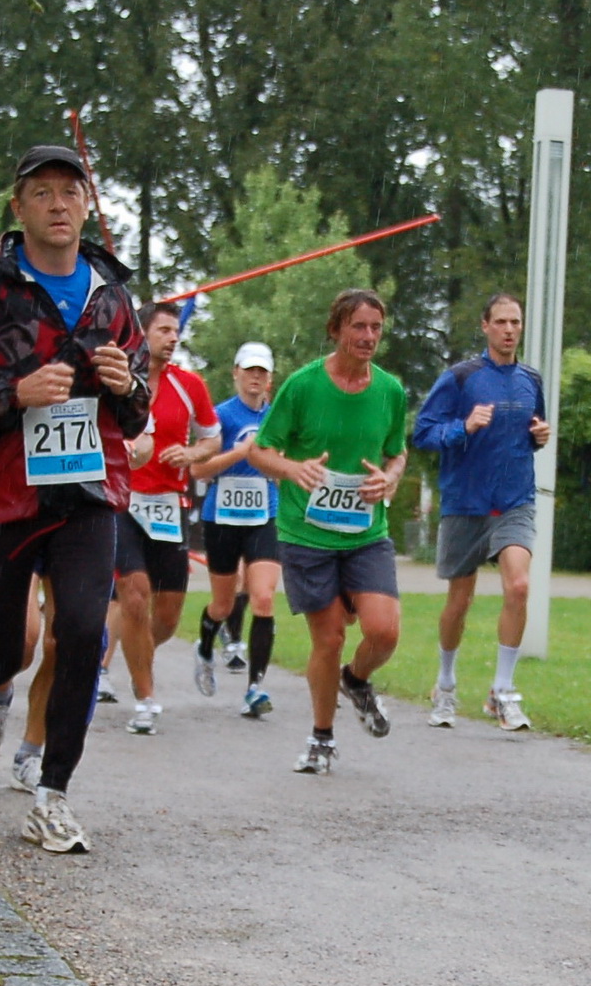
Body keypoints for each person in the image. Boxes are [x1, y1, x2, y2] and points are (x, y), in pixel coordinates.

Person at [0, 143, 149, 854]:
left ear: (86, 204)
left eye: (68, 192)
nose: (57, 204)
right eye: (41, 193)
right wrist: (11, 394)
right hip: (1, 498)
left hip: (86, 493)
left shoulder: (113, 296)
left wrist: (125, 386)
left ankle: (52, 793)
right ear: (18, 208)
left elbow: (138, 413)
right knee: (2, 656)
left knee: (83, 632)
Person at [248, 288, 406, 774]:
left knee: (384, 631)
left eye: (376, 327)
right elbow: (260, 451)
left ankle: (356, 682)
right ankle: (321, 738)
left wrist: (391, 477)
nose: (368, 337)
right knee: (330, 636)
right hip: (307, 533)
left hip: (365, 532)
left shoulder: (390, 390)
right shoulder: (302, 386)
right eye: (358, 326)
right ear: (335, 329)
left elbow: (396, 451)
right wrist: (293, 470)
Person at [411, 293, 551, 730]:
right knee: (460, 601)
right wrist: (463, 427)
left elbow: (531, 430)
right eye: (502, 322)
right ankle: (446, 684)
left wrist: (539, 436)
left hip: (514, 500)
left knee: (519, 585)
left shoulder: (531, 379)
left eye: (516, 323)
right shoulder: (460, 378)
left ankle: (503, 691)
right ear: (485, 326)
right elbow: (423, 433)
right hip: (465, 502)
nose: (510, 330)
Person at [114, 302, 219, 735]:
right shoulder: (119, 381)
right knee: (135, 594)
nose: (172, 339)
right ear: (141, 334)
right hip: (122, 502)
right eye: (163, 330)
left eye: (176, 331)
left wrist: (191, 453)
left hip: (169, 507)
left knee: (168, 616)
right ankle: (145, 697)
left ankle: (134, 655)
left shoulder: (189, 385)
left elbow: (212, 439)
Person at [190, 340, 281, 718]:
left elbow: (285, 463)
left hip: (265, 517)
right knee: (224, 603)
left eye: (262, 372)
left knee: (262, 598)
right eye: (249, 370)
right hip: (222, 517)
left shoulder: (278, 418)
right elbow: (197, 470)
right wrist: (241, 453)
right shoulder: (220, 417)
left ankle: (255, 687)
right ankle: (206, 646)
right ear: (236, 374)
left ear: (270, 379)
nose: (255, 378)